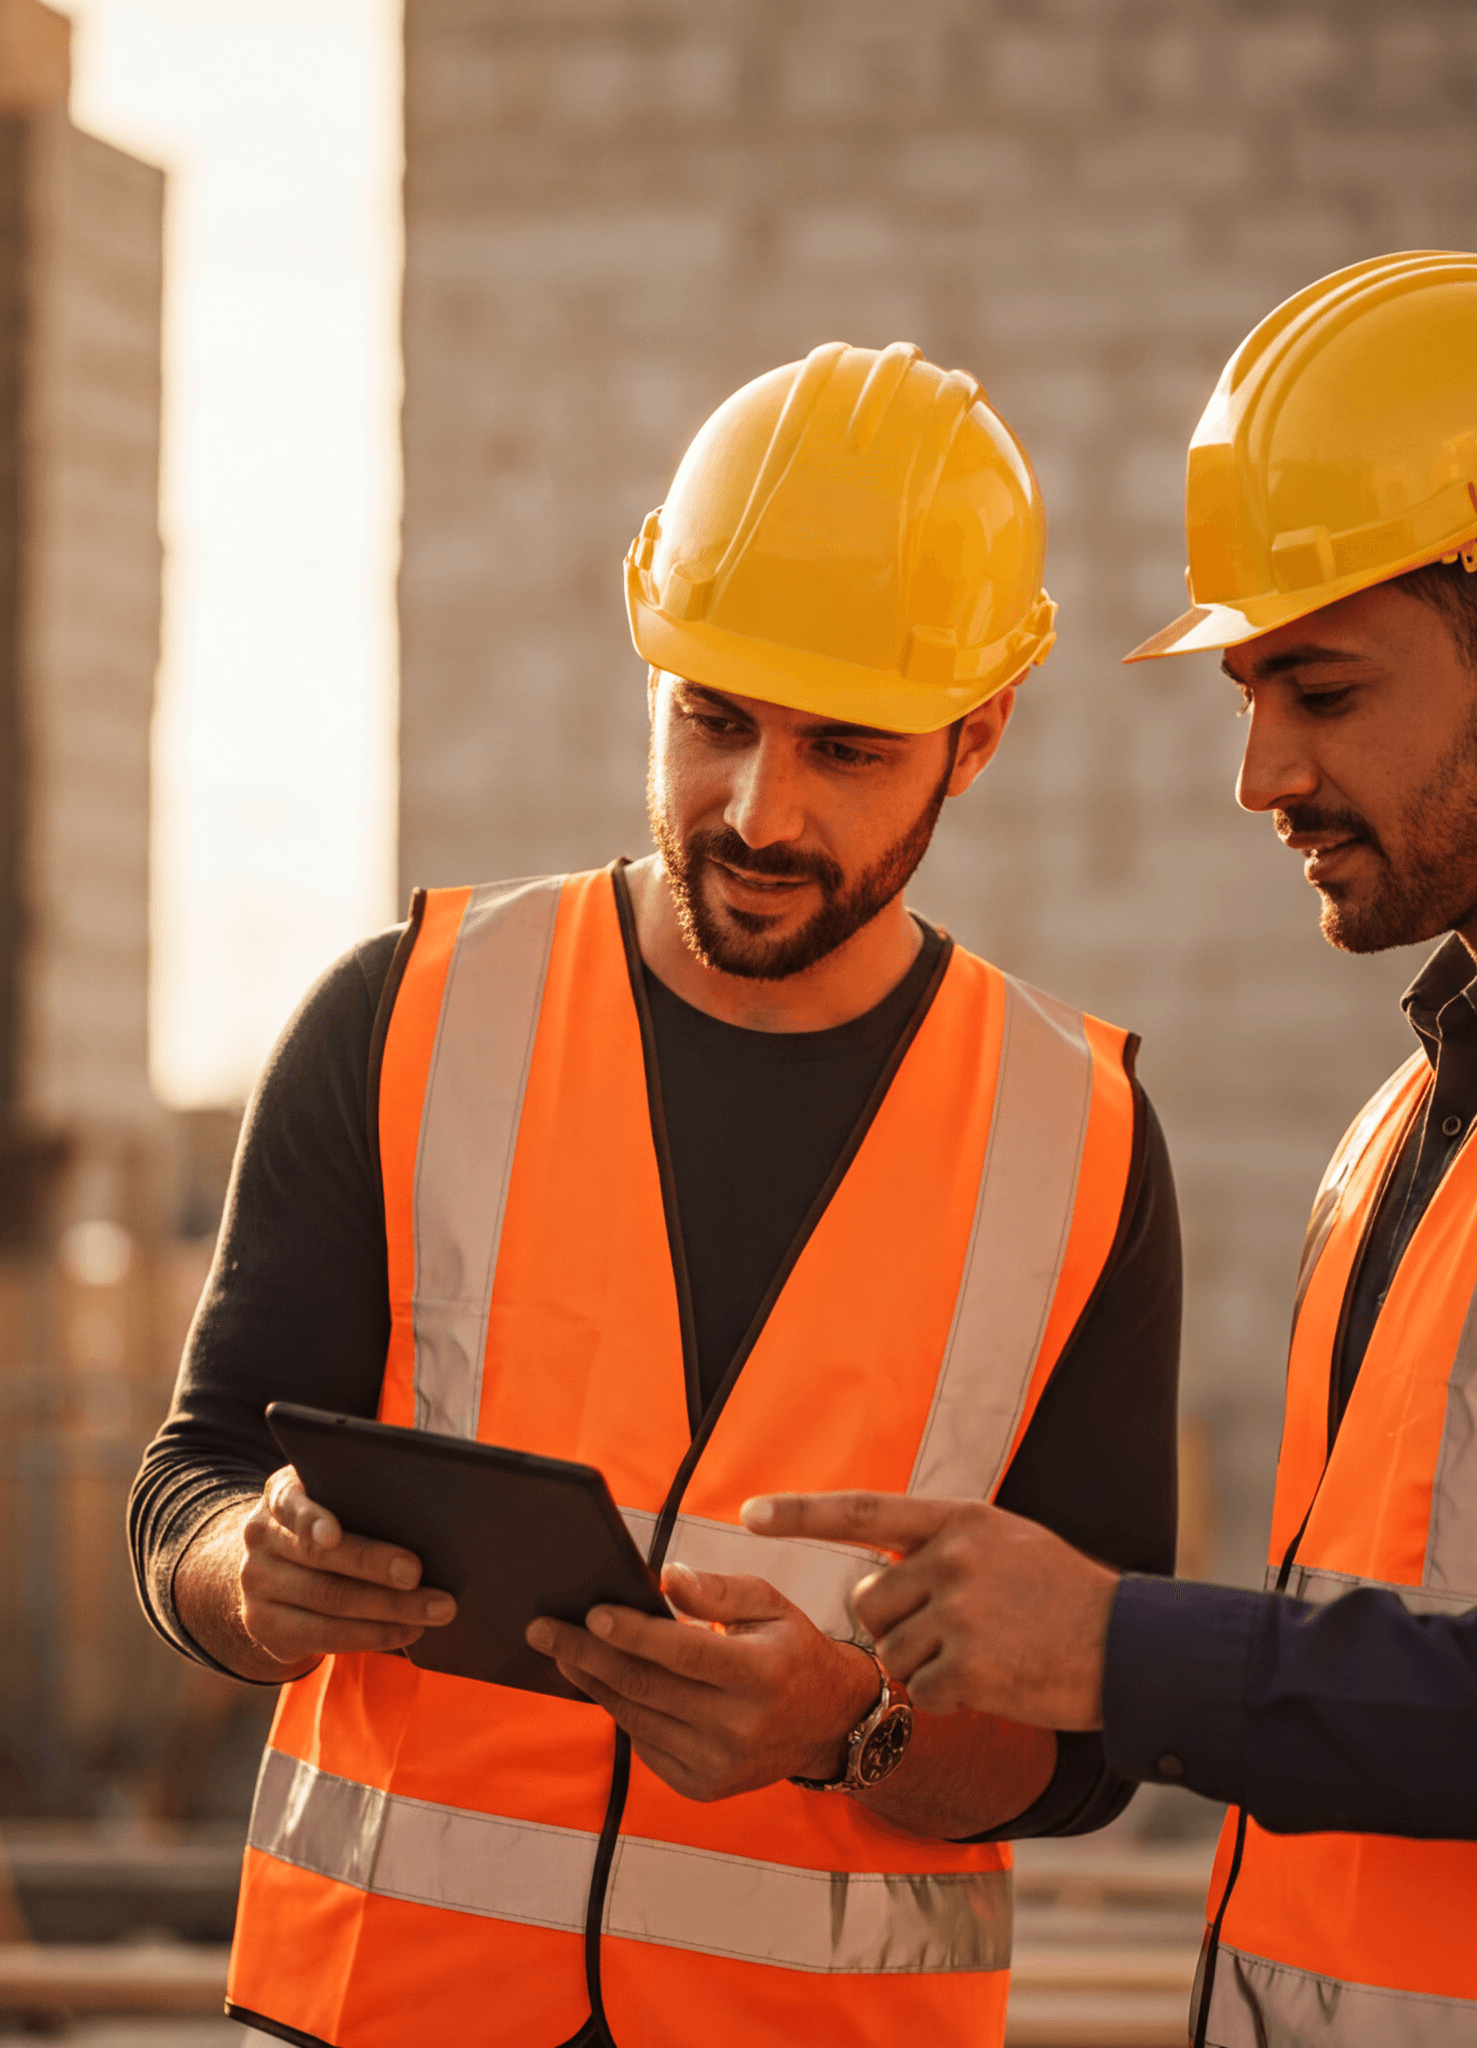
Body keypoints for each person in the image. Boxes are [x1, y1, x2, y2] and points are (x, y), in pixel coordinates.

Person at [750, 255, 1477, 2045]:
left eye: (1319, 690)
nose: (1260, 773)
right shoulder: (1425, 1114)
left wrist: (1120, 1646)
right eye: (1248, 693)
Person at [127, 340, 1182, 2048]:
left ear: (977, 736)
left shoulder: (1084, 1145)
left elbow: (1085, 1745)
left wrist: (849, 1735)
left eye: (848, 748)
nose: (759, 812)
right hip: (377, 2021)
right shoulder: (404, 1015)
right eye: (713, 720)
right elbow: (191, 1483)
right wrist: (247, 1574)